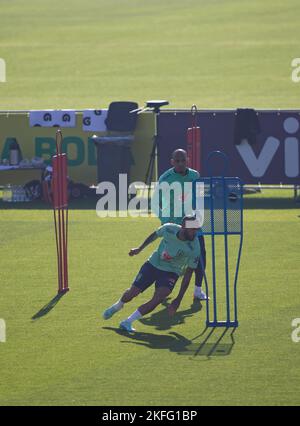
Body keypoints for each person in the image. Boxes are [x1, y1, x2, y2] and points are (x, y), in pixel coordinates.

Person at [103, 216, 201, 332]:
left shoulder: (194, 247)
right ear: (184, 227)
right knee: (132, 293)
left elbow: (189, 273)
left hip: (171, 272)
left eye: (196, 229)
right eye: (192, 229)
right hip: (153, 264)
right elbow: (155, 235)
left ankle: (127, 322)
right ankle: (118, 305)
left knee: (159, 297)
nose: (194, 233)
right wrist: (139, 248)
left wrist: (178, 299)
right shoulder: (169, 228)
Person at [153, 148, 207, 301]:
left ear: (187, 160)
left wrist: (199, 217)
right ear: (172, 162)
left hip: (192, 222)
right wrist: (165, 221)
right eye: (177, 161)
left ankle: (198, 290)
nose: (181, 163)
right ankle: (160, 290)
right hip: (174, 224)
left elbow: (199, 197)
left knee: (201, 255)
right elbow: (156, 202)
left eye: (183, 160)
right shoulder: (165, 178)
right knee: (166, 257)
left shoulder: (195, 175)